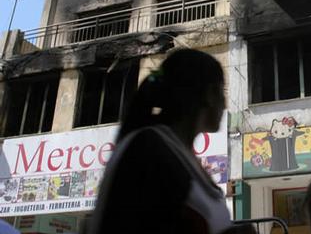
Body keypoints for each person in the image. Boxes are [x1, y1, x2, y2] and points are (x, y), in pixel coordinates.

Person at [89, 49, 251, 234]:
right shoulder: (149, 149)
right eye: (222, 91)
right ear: (209, 93)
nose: (225, 104)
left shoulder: (177, 152)